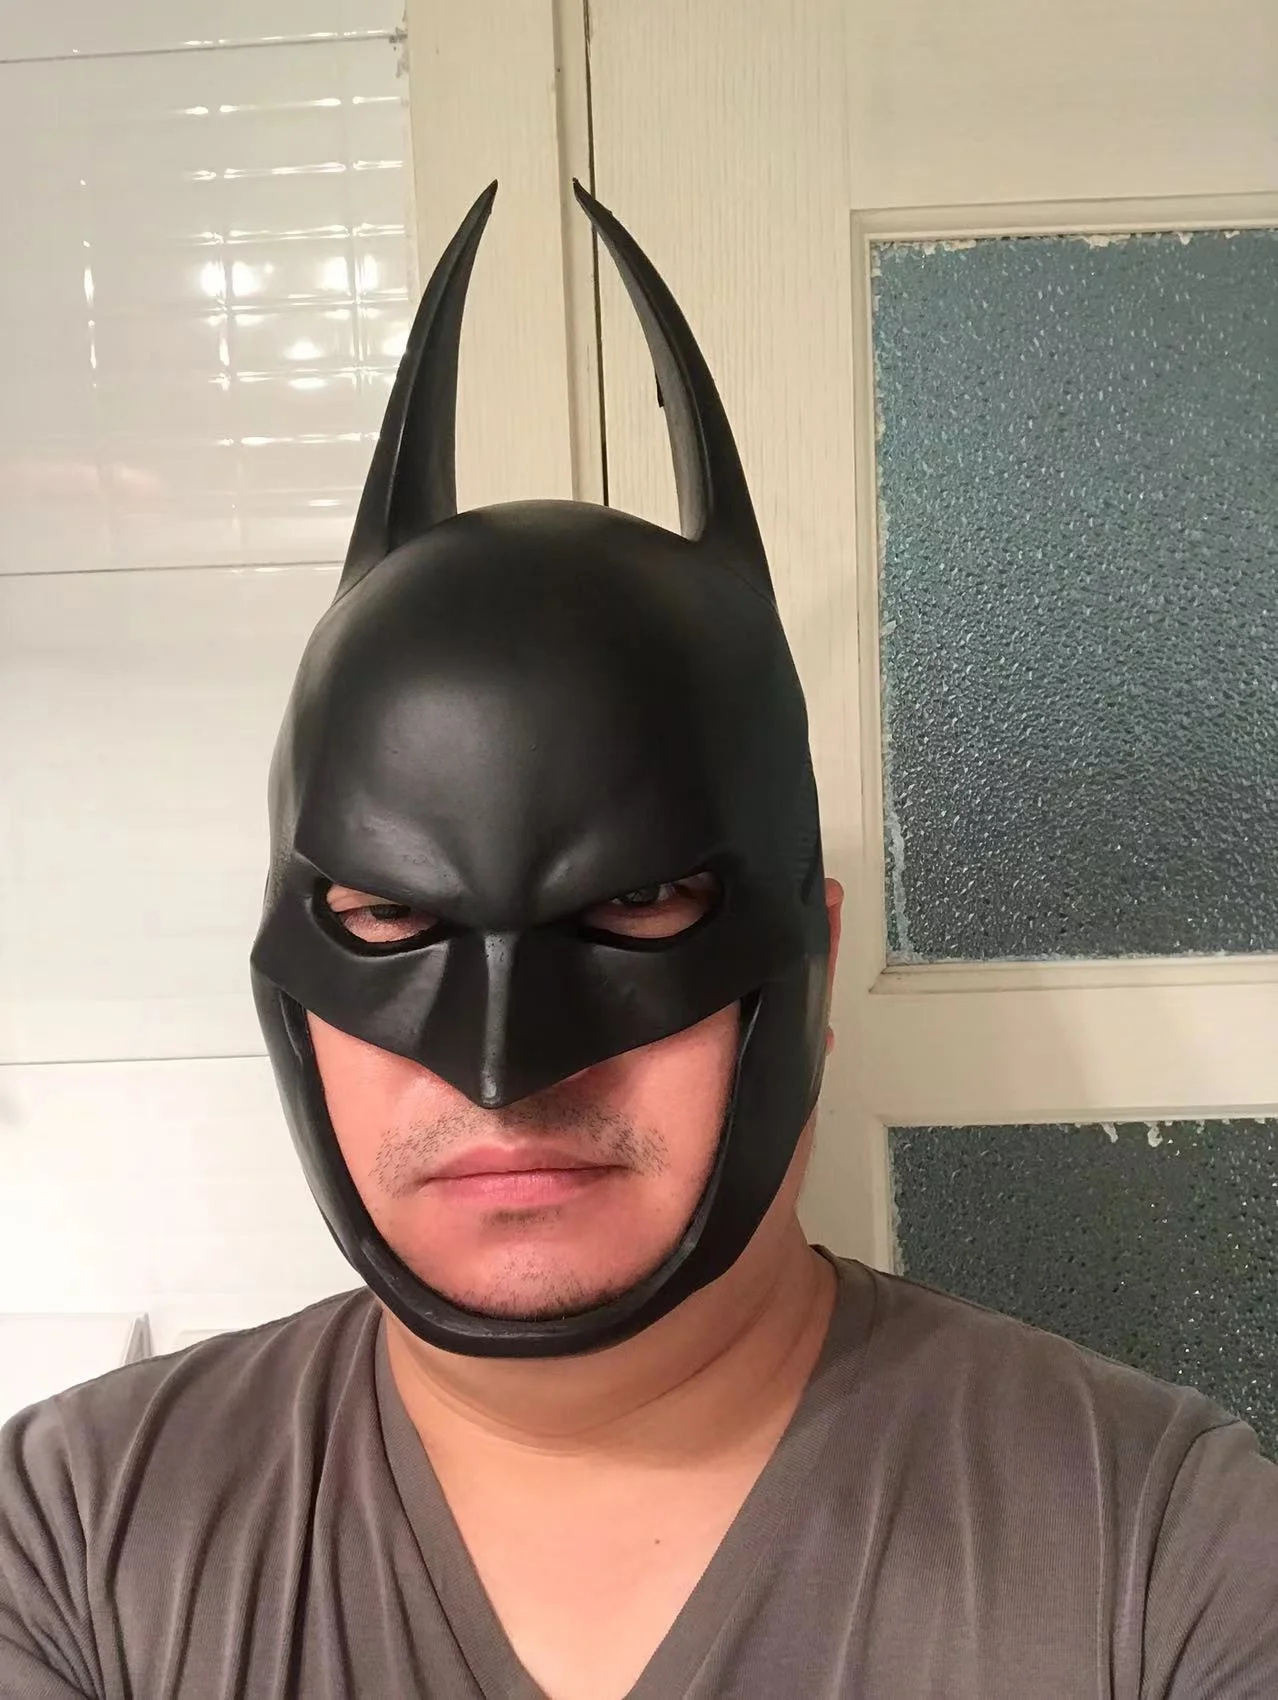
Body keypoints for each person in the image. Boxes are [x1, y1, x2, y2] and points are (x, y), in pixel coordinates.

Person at [1, 183, 1275, 1700]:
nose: (501, 1072)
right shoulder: (70, 1548)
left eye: (636, 906)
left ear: (808, 956)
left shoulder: (1167, 1559)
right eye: (391, 917)